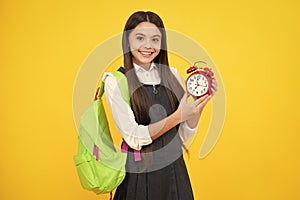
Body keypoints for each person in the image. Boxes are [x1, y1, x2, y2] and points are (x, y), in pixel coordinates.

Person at [102, 11, 217, 200]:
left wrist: (200, 102)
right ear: (127, 41)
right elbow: (134, 137)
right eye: (140, 38)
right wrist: (178, 116)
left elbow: (182, 136)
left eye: (155, 39)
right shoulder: (116, 81)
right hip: (138, 177)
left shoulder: (172, 75)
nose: (148, 46)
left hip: (174, 175)